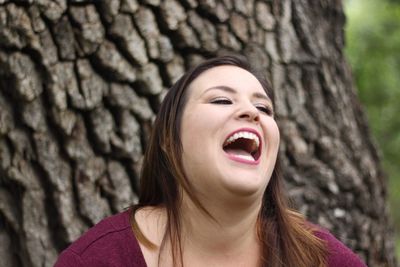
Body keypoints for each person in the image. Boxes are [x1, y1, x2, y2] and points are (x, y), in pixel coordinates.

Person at [54, 55, 367, 267]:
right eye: (221, 100)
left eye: (264, 108)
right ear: (167, 139)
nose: (252, 112)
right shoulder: (96, 259)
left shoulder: (320, 257)